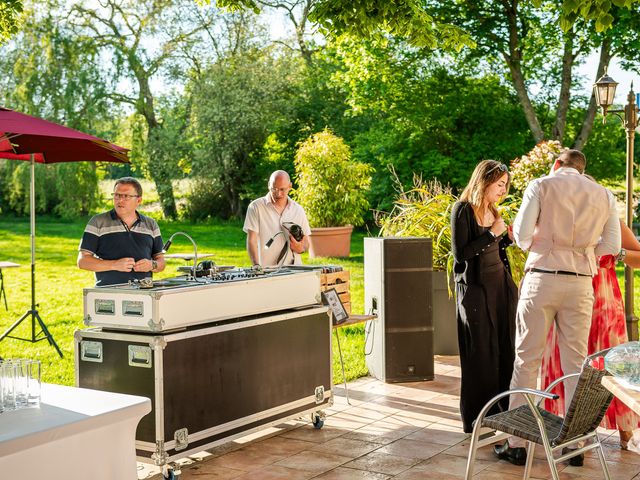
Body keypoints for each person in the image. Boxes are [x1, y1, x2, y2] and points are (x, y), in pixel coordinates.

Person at [495, 150, 621, 466]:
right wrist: (585, 249)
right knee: (576, 364)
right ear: (582, 170)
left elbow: (522, 237)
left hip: (542, 277)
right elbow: (612, 247)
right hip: (579, 283)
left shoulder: (541, 185)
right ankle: (574, 444)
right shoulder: (604, 194)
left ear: (556, 165)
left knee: (526, 359)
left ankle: (516, 443)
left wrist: (543, 240)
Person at [541, 218, 640, 450]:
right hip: (566, 300)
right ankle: (567, 429)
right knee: (567, 361)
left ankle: (625, 429)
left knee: (610, 363)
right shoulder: (559, 219)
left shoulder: (611, 222)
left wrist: (618, 253)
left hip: (604, 303)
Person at [451, 160, 518, 434]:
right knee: (480, 353)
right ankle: (477, 418)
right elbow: (461, 254)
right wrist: (492, 234)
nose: (503, 190)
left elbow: (496, 247)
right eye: (500, 184)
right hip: (475, 292)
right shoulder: (462, 210)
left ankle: (501, 412)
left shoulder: (493, 209)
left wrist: (506, 237)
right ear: (484, 181)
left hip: (500, 286)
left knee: (504, 348)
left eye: (505, 185)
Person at [78, 177, 165, 286]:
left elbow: (161, 261)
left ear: (139, 200)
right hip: (108, 294)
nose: (120, 200)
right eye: (117, 195)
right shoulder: (97, 222)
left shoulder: (151, 224)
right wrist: (114, 265)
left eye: (126, 196)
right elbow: (82, 261)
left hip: (144, 294)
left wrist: (152, 265)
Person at [243, 170, 311, 267]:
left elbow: (306, 243)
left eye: (282, 189)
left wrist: (301, 248)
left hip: (294, 270)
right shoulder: (255, 207)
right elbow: (252, 240)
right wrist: (256, 265)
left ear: (290, 186)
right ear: (268, 185)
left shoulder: (298, 210)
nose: (278, 194)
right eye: (274, 189)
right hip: (266, 271)